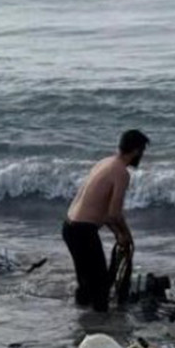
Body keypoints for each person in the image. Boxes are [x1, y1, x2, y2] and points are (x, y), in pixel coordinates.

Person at [61, 129, 150, 312]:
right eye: (141, 151)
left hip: (69, 227)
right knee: (101, 285)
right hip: (83, 231)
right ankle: (101, 327)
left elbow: (102, 210)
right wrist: (126, 235)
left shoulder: (105, 162)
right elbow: (114, 214)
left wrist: (118, 234)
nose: (141, 156)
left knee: (86, 282)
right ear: (135, 150)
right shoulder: (121, 173)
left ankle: (82, 322)